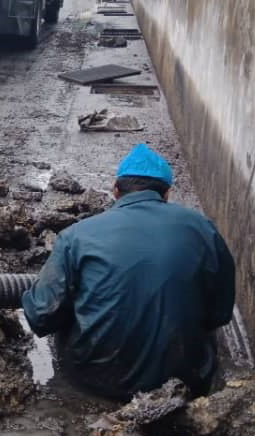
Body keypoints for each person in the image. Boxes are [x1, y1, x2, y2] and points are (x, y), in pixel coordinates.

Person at [22, 144, 235, 400]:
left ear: (115, 190)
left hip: (94, 379)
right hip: (183, 380)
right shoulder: (204, 230)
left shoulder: (76, 236)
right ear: (166, 193)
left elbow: (41, 317)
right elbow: (221, 314)